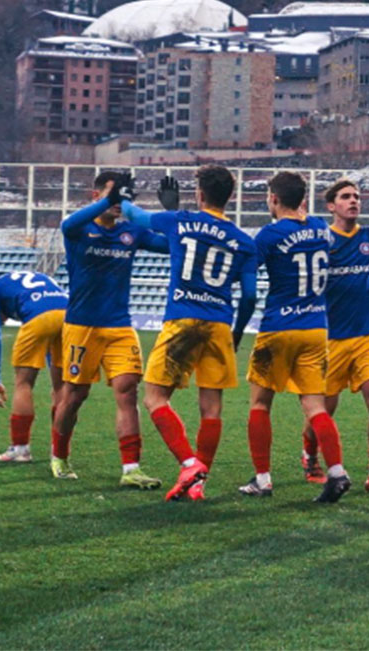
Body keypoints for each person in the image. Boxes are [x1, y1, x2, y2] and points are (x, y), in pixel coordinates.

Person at [120, 166, 258, 502]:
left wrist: (122, 197)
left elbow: (136, 217)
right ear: (231, 196)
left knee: (154, 398)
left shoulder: (179, 220)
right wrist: (237, 332)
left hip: (183, 320)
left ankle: (188, 463)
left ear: (199, 194)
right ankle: (198, 484)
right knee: (211, 409)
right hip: (220, 324)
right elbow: (251, 295)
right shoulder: (244, 242)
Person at [239, 171, 351, 503]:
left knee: (260, 403)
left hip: (278, 327)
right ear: (303, 198)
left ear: (273, 199)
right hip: (316, 328)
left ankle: (262, 479)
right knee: (315, 406)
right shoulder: (320, 228)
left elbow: (248, 271)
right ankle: (337, 472)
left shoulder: (269, 234)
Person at [52, 172, 166, 489]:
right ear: (96, 195)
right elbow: (66, 225)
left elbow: (172, 246)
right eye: (113, 195)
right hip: (81, 326)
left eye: (124, 197)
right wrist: (110, 198)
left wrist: (172, 214)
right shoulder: (79, 229)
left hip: (119, 325)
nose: (119, 203)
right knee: (75, 395)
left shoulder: (131, 232)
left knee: (127, 390)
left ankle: (131, 468)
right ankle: (59, 455)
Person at [299, 179, 369, 494]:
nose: (353, 201)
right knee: (323, 409)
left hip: (368, 335)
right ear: (330, 205)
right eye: (345, 197)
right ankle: (310, 456)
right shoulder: (321, 241)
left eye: (356, 196)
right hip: (330, 339)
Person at [0, 270, 68, 463]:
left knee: (23, 384)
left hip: (40, 317)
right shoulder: (16, 282)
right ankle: (58, 451)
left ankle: (20, 449)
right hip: (70, 315)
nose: (4, 320)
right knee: (61, 387)